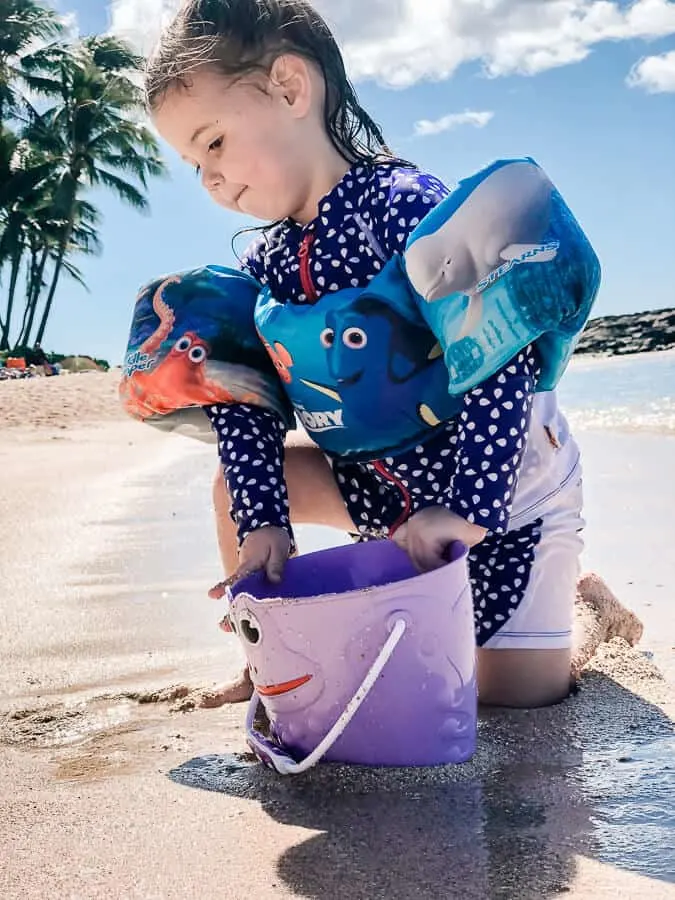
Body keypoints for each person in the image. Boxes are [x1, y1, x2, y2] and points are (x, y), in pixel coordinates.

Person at [144, 0, 641, 710]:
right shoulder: (266, 267)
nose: (209, 179)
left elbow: (500, 361)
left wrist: (469, 512)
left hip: (507, 488)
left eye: (214, 142)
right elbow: (247, 407)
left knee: (512, 700)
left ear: (290, 88)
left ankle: (580, 599)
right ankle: (265, 654)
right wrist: (263, 526)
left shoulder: (402, 208)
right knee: (237, 490)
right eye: (193, 164)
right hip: (384, 497)